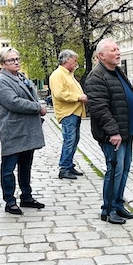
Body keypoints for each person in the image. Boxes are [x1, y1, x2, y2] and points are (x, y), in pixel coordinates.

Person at [86, 39, 133, 223]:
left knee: (124, 169)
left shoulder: (117, 72)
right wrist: (113, 132)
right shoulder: (96, 77)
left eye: (118, 49)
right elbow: (99, 108)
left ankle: (118, 204)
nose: (118, 53)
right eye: (113, 50)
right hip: (114, 135)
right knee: (114, 170)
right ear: (101, 55)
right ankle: (108, 210)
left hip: (126, 131)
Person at [0, 48, 47, 215]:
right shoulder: (1, 81)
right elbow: (13, 102)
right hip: (13, 130)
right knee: (8, 168)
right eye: (11, 60)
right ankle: (9, 201)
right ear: (2, 63)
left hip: (27, 129)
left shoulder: (21, 77)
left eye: (17, 59)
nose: (16, 62)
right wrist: (38, 107)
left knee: (26, 165)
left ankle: (26, 196)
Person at [49, 49, 87, 180]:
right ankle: (64, 168)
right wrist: (79, 97)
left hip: (75, 111)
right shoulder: (58, 75)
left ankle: (69, 164)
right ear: (66, 60)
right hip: (67, 112)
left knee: (74, 139)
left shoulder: (68, 74)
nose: (76, 63)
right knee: (69, 140)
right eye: (74, 60)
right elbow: (60, 94)